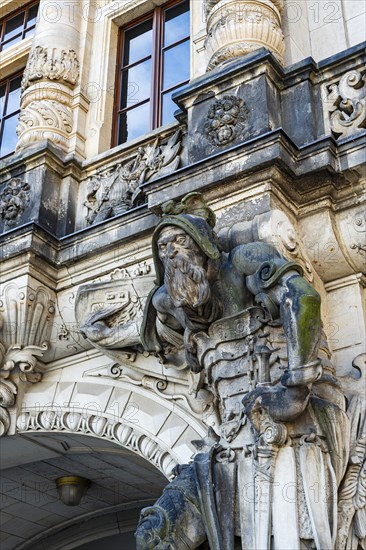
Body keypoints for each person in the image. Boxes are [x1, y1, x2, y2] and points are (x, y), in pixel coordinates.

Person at [136, 192, 350, 550]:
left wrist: (295, 389)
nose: (171, 252)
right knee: (155, 535)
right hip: (229, 442)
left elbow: (303, 299)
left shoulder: (244, 262)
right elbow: (144, 333)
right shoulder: (169, 303)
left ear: (204, 244)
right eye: (163, 248)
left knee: (288, 535)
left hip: (295, 422)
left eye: (180, 240)